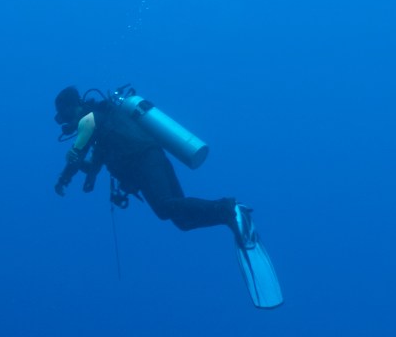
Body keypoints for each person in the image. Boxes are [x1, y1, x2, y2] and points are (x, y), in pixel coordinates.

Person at [52, 85, 255, 248]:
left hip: (143, 159)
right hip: (151, 158)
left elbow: (77, 153)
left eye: (66, 114)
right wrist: (80, 169)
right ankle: (231, 219)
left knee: (165, 205)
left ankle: (228, 208)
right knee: (181, 220)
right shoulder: (101, 122)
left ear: (75, 106)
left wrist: (63, 180)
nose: (68, 120)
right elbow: (91, 165)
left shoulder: (89, 120)